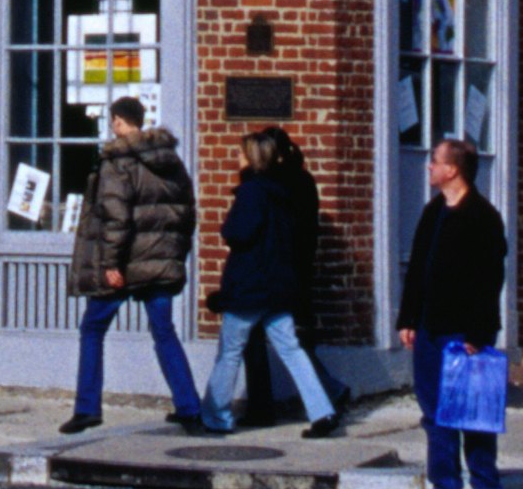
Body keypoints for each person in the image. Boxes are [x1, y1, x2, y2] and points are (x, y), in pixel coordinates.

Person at [61, 95, 204, 437]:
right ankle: (190, 409)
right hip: (160, 263)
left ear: (119, 122)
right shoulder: (172, 162)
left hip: (124, 266)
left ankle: (87, 408)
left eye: (114, 122)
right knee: (164, 332)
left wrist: (111, 263)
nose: (113, 127)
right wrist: (174, 255)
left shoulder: (118, 162)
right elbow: (186, 215)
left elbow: (117, 219)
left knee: (93, 329)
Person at [202, 124, 352, 437]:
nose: (237, 157)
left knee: (229, 351)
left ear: (252, 158)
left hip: (250, 284)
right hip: (280, 282)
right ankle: (322, 411)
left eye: (241, 153)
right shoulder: (284, 191)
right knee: (291, 349)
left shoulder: (252, 192)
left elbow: (236, 232)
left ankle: (217, 415)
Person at [396, 131, 510, 489]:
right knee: (435, 411)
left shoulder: (483, 218)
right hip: (430, 327)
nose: (429, 166)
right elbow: (418, 270)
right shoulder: (433, 211)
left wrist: (480, 331)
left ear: (452, 169)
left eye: (436, 160)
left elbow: (489, 279)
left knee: (473, 410)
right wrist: (408, 317)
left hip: (464, 331)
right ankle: (443, 485)